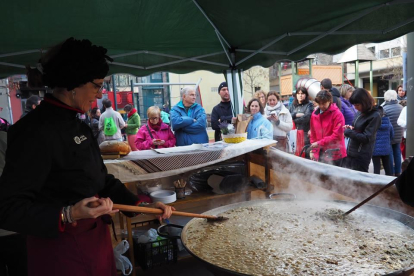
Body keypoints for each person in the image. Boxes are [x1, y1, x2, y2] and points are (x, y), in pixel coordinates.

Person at [0, 37, 174, 276]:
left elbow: (101, 181)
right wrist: (68, 213)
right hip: (60, 253)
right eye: (97, 85)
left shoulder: (79, 125)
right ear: (74, 83)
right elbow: (7, 209)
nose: (100, 93)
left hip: (96, 242)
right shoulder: (33, 131)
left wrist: (145, 206)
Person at [343, 88, 382, 172]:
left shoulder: (375, 116)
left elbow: (367, 137)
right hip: (351, 151)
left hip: (361, 155)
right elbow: (357, 129)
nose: (355, 107)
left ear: (364, 102)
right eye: (354, 105)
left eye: (357, 105)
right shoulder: (360, 112)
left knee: (359, 182)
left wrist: (349, 132)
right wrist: (350, 128)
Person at [309, 91, 346, 166]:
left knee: (334, 177)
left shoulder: (337, 114)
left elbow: (337, 136)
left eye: (324, 103)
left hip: (335, 152)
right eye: (320, 104)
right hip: (320, 151)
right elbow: (313, 134)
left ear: (330, 101)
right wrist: (314, 150)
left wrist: (319, 143)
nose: (322, 106)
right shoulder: (314, 114)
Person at [382, 90, 403, 176]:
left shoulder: (384, 108)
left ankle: (391, 172)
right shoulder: (401, 107)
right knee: (397, 152)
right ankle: (398, 171)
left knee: (389, 153)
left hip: (388, 135)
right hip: (399, 134)